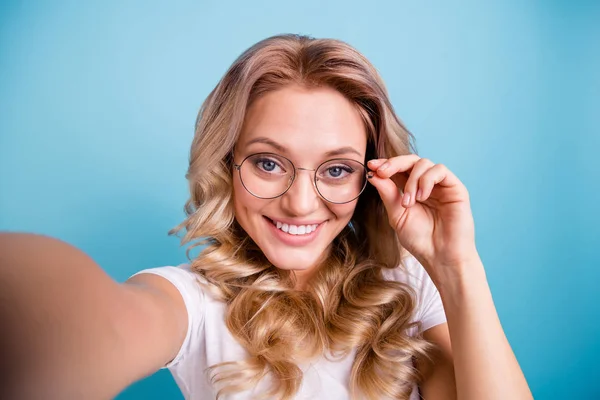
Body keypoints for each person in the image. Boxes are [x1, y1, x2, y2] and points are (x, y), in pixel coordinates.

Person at [0, 34, 533, 400]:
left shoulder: (408, 286)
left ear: (371, 177)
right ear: (226, 163)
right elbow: (104, 324)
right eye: (269, 163)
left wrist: (457, 267)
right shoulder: (192, 303)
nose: (301, 204)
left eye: (337, 170)